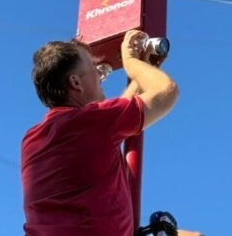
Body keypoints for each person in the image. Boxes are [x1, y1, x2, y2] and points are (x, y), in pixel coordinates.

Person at [21, 29, 180, 236]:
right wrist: (132, 63)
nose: (99, 75)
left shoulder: (34, 138)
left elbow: (112, 124)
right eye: (93, 69)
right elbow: (166, 91)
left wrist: (143, 74)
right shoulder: (89, 123)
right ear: (76, 82)